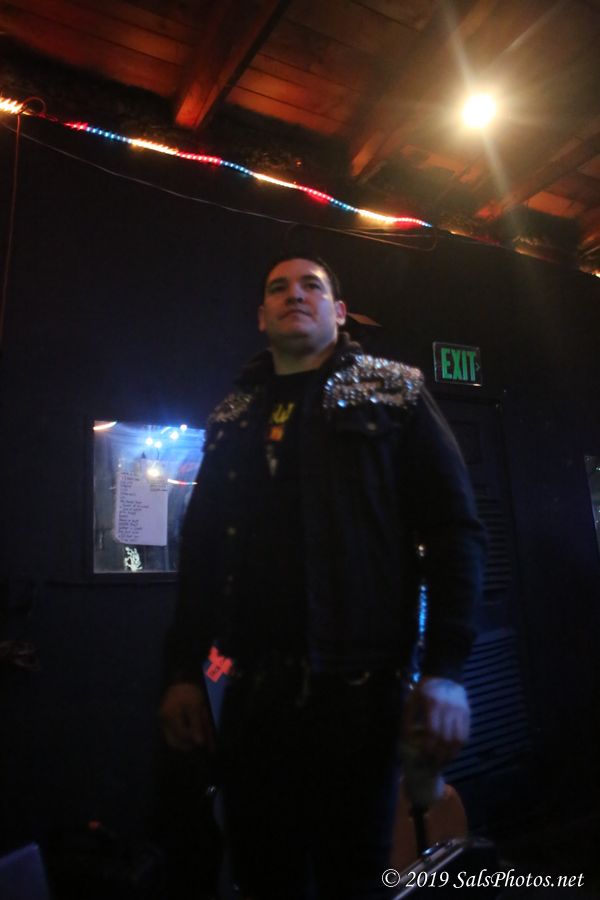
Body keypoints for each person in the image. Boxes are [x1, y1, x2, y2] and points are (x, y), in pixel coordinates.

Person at [160, 253, 486, 900]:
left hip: (360, 698)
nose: (295, 295)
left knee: (351, 879)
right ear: (261, 316)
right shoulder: (233, 416)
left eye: (312, 286)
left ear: (339, 312)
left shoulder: (395, 391)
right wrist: (180, 672)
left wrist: (446, 668)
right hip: (254, 696)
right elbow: (201, 553)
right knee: (263, 875)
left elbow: (456, 531)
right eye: (278, 288)